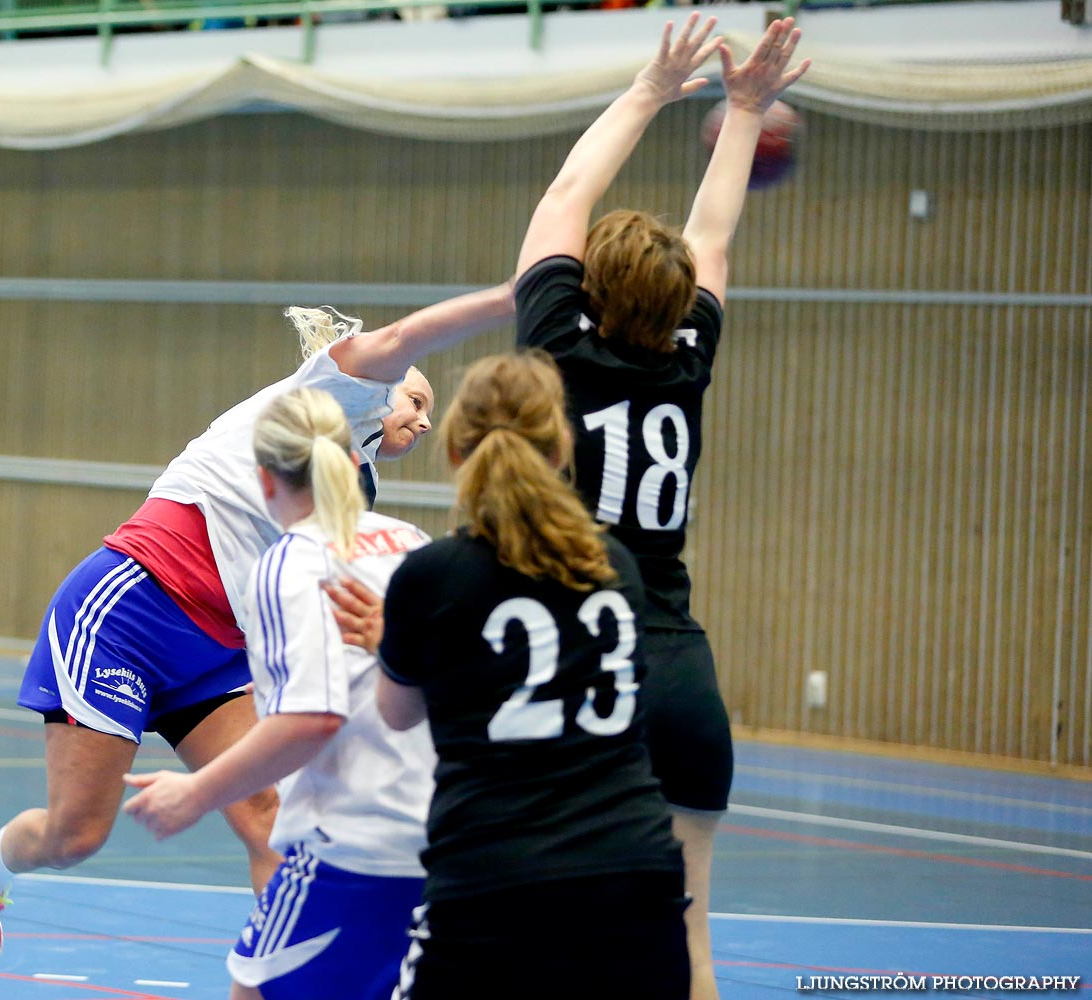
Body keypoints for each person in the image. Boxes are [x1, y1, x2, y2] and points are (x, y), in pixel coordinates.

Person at [0, 281, 514, 975]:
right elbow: (400, 342)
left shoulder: (347, 480)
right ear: (378, 387)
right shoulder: (320, 397)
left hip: (214, 654)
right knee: (75, 836)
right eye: (415, 400)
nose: (423, 420)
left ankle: (283, 982)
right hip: (124, 616)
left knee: (270, 822)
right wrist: (517, 296)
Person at [511, 13, 810, 999]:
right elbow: (713, 232)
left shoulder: (560, 342)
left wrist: (649, 89)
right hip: (681, 674)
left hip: (579, 666)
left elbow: (566, 193)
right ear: (679, 304)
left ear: (586, 287)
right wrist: (744, 111)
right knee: (688, 958)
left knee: (541, 933)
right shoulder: (688, 361)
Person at [376, 350, 690, 999]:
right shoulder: (617, 565)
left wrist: (390, 643)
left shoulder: (432, 574)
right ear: (559, 448)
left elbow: (398, 712)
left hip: (494, 876)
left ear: (458, 451)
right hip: (634, 869)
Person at [123, 386, 435, 1000]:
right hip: (439, 836)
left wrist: (194, 793)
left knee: (252, 989)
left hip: (349, 846)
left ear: (265, 482)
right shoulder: (412, 542)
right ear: (353, 465)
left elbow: (311, 719)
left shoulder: (288, 564)